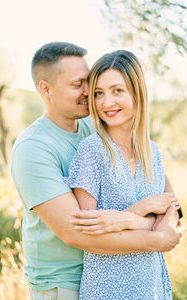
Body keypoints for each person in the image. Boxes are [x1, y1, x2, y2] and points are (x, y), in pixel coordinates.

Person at [11, 42, 183, 300]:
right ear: (45, 89)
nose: (89, 92)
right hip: (63, 283)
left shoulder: (99, 127)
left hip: (135, 275)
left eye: (89, 82)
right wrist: (157, 238)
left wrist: (133, 220)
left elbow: (171, 206)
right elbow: (78, 232)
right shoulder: (33, 148)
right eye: (78, 84)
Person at [64, 50, 183, 299]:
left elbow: (175, 218)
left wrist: (126, 220)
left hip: (152, 286)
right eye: (99, 93)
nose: (107, 103)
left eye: (117, 91)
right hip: (108, 288)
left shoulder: (152, 151)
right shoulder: (92, 150)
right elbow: (90, 232)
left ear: (136, 93)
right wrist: (144, 208)